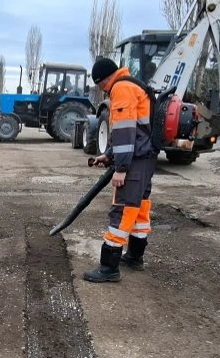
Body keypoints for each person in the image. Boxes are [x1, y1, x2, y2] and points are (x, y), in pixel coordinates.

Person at [84, 57, 157, 283]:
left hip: (135, 162)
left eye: (99, 85)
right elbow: (134, 131)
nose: (101, 90)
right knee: (139, 208)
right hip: (145, 159)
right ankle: (135, 256)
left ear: (102, 80)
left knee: (123, 209)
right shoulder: (132, 84)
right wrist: (109, 155)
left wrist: (121, 167)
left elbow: (125, 132)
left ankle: (109, 268)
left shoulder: (122, 88)